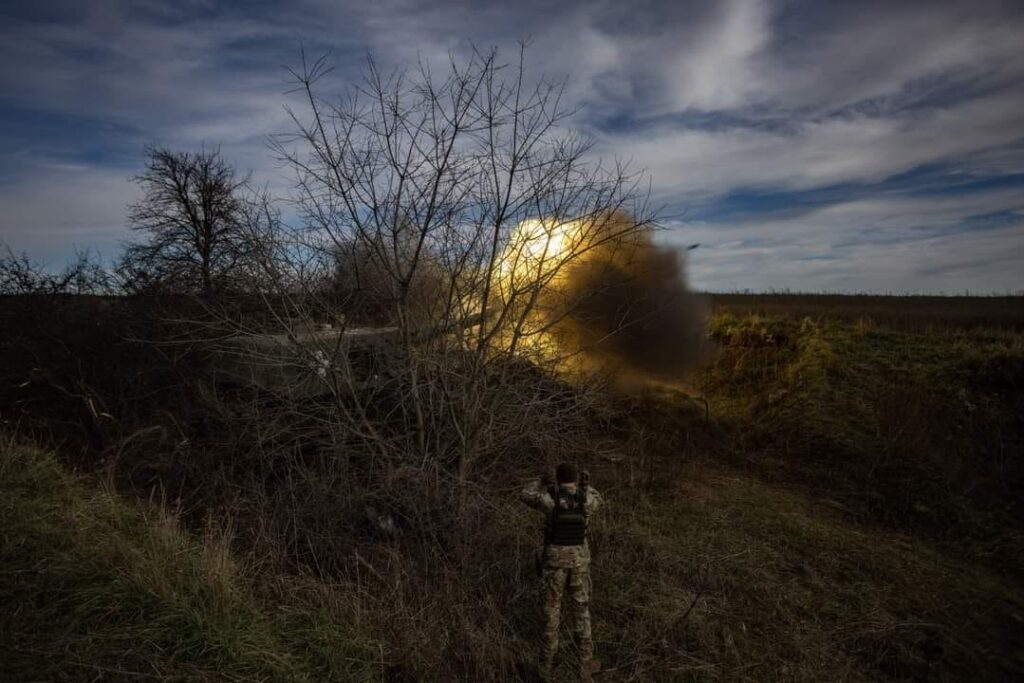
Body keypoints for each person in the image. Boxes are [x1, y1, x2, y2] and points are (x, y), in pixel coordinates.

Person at [521, 462, 603, 682]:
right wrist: (587, 484)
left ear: (557, 479)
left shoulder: (550, 501)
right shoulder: (586, 499)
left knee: (551, 614)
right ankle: (585, 669)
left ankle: (546, 669)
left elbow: (527, 494)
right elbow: (598, 498)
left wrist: (541, 479)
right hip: (578, 564)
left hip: (555, 563)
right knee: (581, 612)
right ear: (575, 478)